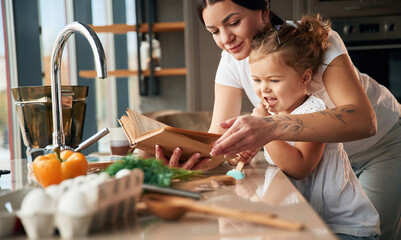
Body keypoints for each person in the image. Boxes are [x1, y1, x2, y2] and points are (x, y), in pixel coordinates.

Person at [191, 1, 401, 239]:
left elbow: (365, 121)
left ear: (263, 12)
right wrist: (185, 158)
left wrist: (268, 128)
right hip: (325, 167)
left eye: (233, 23)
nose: (226, 39)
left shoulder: (313, 40)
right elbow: (218, 139)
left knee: (368, 231)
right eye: (214, 32)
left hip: (381, 145)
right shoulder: (231, 60)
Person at [248, 15, 380, 239]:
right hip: (314, 222)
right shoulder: (278, 112)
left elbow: (299, 167)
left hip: (346, 228)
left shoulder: (315, 112)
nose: (264, 89)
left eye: (274, 80)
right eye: (257, 80)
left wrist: (265, 130)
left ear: (305, 78)